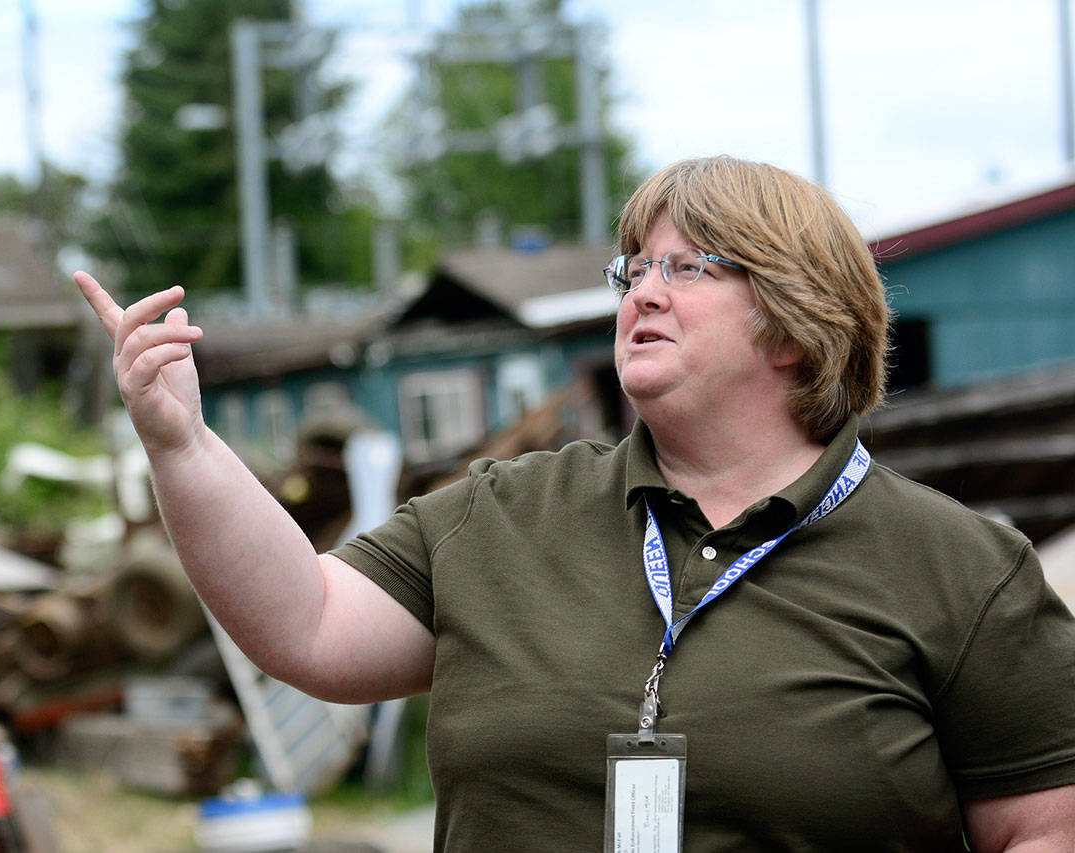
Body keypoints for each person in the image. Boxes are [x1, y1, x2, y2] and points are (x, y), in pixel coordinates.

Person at [75, 155, 1075, 851]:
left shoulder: (958, 570)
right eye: (631, 268)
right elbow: (305, 622)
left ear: (797, 323)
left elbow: (1040, 829)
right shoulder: (501, 513)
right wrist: (183, 443)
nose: (640, 291)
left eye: (685, 268)